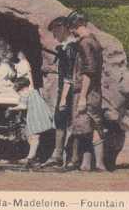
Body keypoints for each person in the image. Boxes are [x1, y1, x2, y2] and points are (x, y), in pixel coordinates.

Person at [66, 11, 107, 172]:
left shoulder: (84, 43)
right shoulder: (94, 41)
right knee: (94, 124)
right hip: (95, 90)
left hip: (86, 90)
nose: (72, 33)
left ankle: (96, 164)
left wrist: (82, 97)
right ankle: (92, 163)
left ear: (74, 27)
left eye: (72, 29)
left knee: (84, 125)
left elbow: (88, 72)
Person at [41, 16, 78, 169]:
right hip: (66, 88)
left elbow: (69, 76)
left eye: (55, 31)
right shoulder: (66, 47)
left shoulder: (70, 48)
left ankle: (62, 156)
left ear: (62, 28)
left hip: (69, 90)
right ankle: (60, 155)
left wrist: (63, 98)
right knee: (60, 120)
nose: (54, 35)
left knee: (63, 120)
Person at [7, 76, 54, 166]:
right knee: (34, 137)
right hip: (41, 116)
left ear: (23, 88)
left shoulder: (25, 94)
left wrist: (12, 108)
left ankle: (31, 157)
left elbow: (23, 106)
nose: (19, 94)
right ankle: (33, 156)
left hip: (35, 117)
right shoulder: (34, 92)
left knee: (34, 137)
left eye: (18, 91)